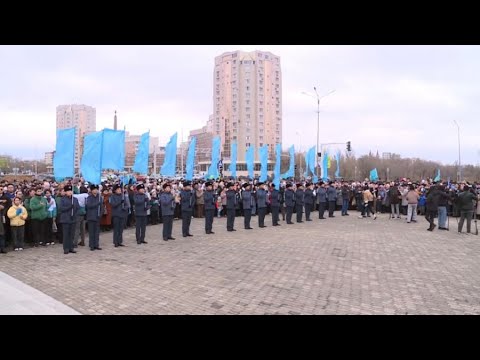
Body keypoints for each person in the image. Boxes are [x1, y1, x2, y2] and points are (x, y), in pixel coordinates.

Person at [59, 185, 80, 254]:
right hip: (65, 219)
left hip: (73, 219)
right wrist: (69, 207)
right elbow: (61, 209)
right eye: (68, 191)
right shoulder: (62, 199)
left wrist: (74, 215)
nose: (70, 192)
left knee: (72, 234)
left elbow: (77, 208)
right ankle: (66, 248)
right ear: (65, 192)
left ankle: (71, 247)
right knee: (66, 234)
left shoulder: (75, 199)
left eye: (70, 191)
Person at [85, 184, 103, 251]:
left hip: (97, 217)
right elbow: (89, 206)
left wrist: (100, 214)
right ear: (91, 190)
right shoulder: (89, 197)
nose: (95, 190)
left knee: (97, 232)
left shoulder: (99, 197)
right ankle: (91, 245)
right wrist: (96, 204)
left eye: (96, 189)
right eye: (94, 189)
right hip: (91, 216)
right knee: (91, 232)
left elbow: (102, 207)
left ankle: (96, 244)